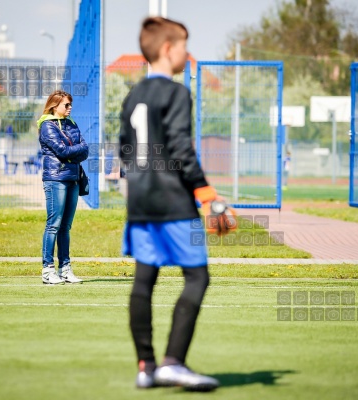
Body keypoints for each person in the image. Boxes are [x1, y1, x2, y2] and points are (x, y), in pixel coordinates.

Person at [119, 16, 235, 391]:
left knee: (144, 279)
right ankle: (174, 362)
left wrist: (138, 186)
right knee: (198, 277)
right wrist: (206, 193)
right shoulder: (177, 93)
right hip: (173, 200)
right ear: (168, 49)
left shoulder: (132, 95)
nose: (188, 52)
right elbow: (182, 148)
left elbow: (124, 151)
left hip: (140, 201)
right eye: (184, 45)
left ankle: (145, 366)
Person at [36, 90, 88, 285]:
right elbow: (62, 150)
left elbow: (85, 149)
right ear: (54, 106)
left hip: (73, 178)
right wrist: (73, 151)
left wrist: (71, 153)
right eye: (66, 105)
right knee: (54, 224)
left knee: (65, 227)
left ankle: (64, 269)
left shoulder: (71, 124)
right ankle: (47, 269)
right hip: (55, 179)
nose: (70, 108)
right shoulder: (47, 126)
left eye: (70, 104)